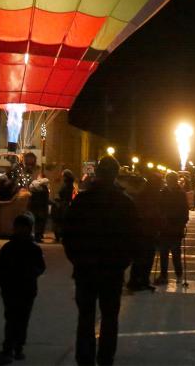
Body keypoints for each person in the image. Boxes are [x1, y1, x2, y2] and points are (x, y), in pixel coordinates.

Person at [61, 155, 138, 366]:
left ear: (98, 173)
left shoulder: (83, 200)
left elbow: (68, 233)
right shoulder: (125, 203)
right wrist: (124, 261)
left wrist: (76, 259)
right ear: (115, 175)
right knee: (110, 318)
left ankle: (85, 359)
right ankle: (105, 359)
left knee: (86, 318)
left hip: (86, 268)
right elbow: (134, 237)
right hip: (112, 270)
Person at [0, 213, 46, 365]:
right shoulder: (12, 247)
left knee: (18, 319)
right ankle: (12, 347)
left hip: (22, 289)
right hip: (16, 288)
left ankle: (14, 347)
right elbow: (0, 267)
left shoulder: (26, 248)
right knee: (14, 318)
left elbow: (41, 267)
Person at [127, 176, 160, 292]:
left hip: (145, 231)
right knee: (143, 258)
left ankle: (140, 280)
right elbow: (148, 213)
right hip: (145, 231)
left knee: (143, 258)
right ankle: (138, 281)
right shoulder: (147, 197)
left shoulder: (146, 195)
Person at [156, 171, 190, 285]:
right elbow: (159, 207)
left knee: (175, 253)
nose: (169, 182)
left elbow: (184, 211)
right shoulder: (164, 193)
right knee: (164, 253)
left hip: (175, 226)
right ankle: (164, 275)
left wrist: (182, 223)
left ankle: (178, 274)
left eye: (171, 180)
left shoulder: (179, 193)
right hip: (166, 227)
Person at [52, 170, 76, 242]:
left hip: (63, 204)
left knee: (59, 221)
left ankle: (59, 236)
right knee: (63, 221)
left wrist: (58, 199)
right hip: (65, 203)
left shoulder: (66, 184)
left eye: (63, 176)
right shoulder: (69, 183)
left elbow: (62, 193)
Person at [28, 178, 51, 243]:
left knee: (36, 221)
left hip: (34, 207)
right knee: (40, 222)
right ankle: (38, 236)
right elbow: (45, 199)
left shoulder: (34, 188)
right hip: (41, 207)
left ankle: (36, 235)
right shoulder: (44, 189)